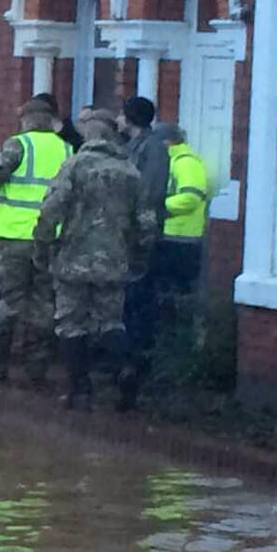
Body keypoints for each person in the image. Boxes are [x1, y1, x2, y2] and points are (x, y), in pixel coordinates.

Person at [33, 107, 158, 410]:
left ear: (89, 134)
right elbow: (146, 221)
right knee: (110, 322)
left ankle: (80, 389)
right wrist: (139, 256)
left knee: (71, 324)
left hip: (73, 259)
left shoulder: (74, 166)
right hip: (114, 260)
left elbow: (51, 211)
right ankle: (124, 372)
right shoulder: (130, 172)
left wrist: (43, 246)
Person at [0, 96, 72, 386]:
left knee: (4, 301)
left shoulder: (19, 144)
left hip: (14, 236)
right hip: (50, 239)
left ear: (27, 119)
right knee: (42, 303)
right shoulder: (67, 149)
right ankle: (37, 368)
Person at [118, 95, 171, 401]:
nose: (118, 120)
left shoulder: (152, 150)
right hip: (128, 235)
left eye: (122, 115)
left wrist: (138, 225)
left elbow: (148, 193)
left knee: (139, 298)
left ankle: (137, 362)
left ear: (131, 118)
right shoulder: (132, 147)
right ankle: (127, 359)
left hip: (143, 236)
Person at [154, 123, 209, 297]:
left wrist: (157, 206)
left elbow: (191, 197)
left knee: (177, 292)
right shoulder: (171, 161)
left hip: (182, 238)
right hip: (169, 236)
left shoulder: (186, 162)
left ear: (167, 142)